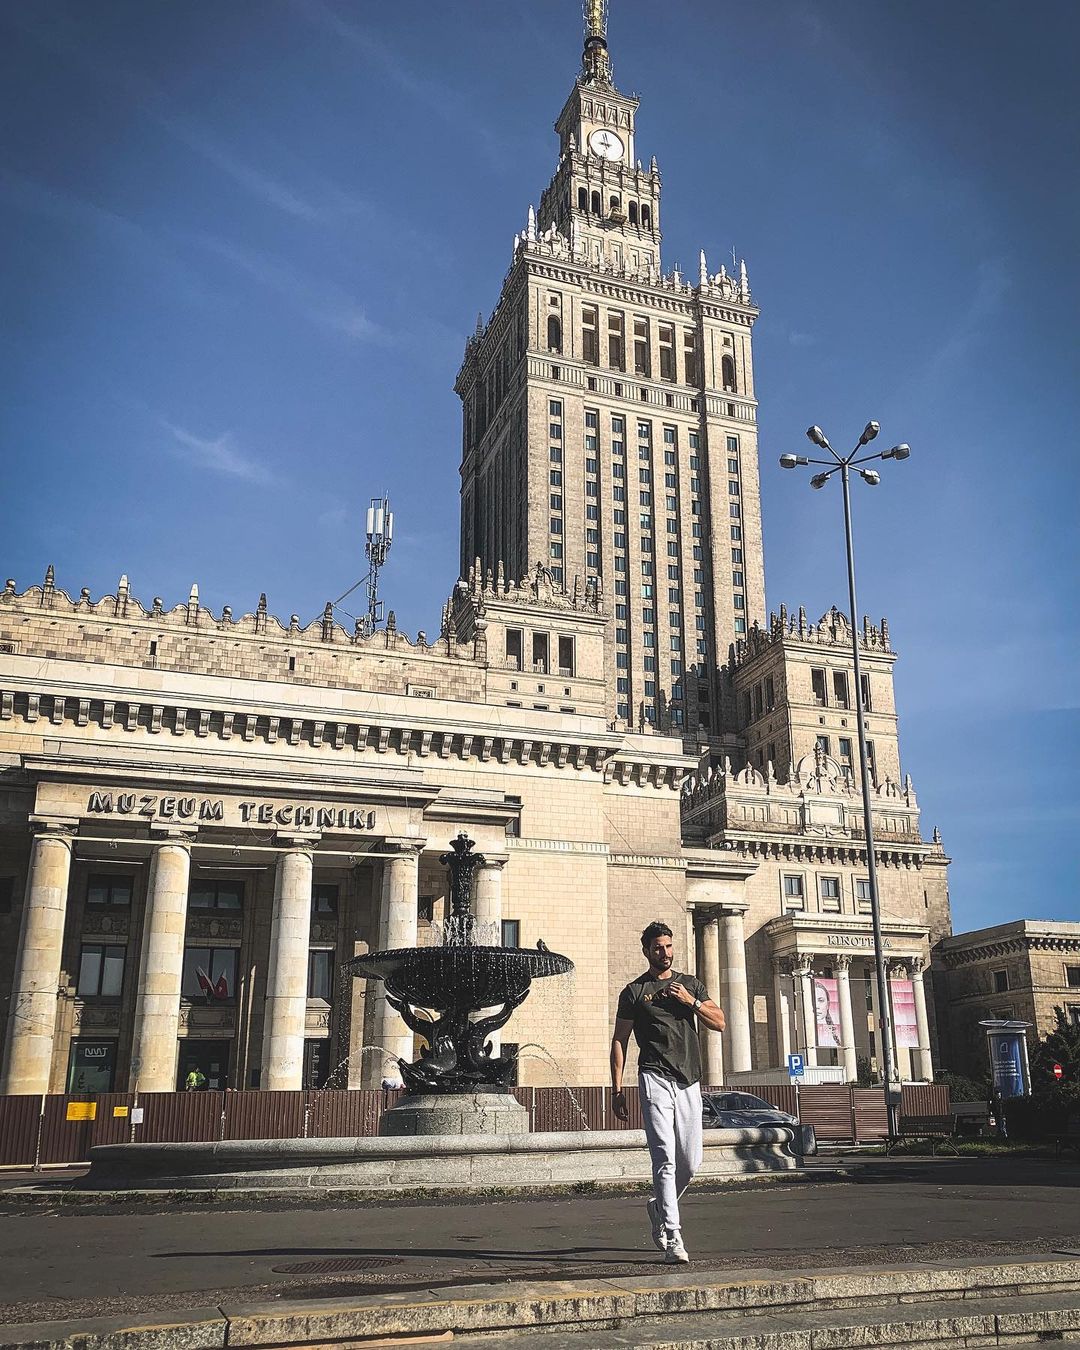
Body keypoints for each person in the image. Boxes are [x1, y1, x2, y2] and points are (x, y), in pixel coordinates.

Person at [610, 920, 726, 1264]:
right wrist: (617, 1088)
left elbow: (718, 1022)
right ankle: (673, 1235)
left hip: (689, 1079)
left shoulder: (690, 984)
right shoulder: (634, 992)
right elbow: (620, 1041)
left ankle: (658, 1205)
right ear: (647, 951)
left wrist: (690, 1001)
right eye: (658, 947)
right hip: (654, 1077)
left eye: (669, 946)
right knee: (664, 1158)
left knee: (691, 1162)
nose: (665, 952)